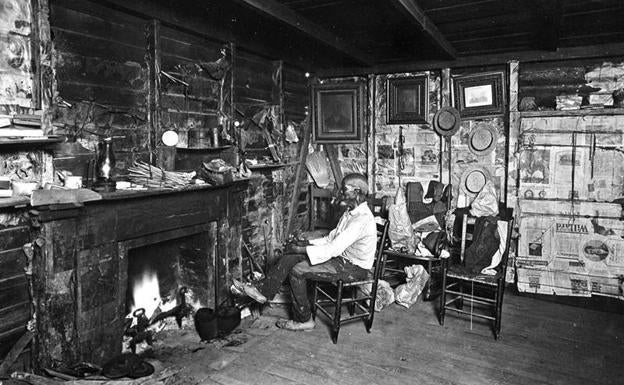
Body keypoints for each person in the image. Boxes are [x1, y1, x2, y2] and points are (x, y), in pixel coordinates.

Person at [232, 173, 378, 331]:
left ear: (357, 192)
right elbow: (330, 238)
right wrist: (304, 243)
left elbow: (333, 248)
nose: (341, 193)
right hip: (341, 259)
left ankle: (304, 320)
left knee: (297, 271)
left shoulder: (361, 219)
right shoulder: (350, 212)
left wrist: (301, 249)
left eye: (344, 190)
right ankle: (263, 292)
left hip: (354, 268)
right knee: (290, 257)